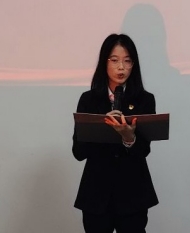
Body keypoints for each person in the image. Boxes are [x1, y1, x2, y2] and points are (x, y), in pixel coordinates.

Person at [72, 33, 159, 233]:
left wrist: (129, 138)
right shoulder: (88, 100)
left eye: (127, 61)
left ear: (133, 65)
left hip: (132, 194)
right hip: (96, 194)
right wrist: (101, 127)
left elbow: (144, 150)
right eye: (114, 60)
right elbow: (78, 152)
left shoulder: (145, 100)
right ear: (104, 62)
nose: (121, 67)